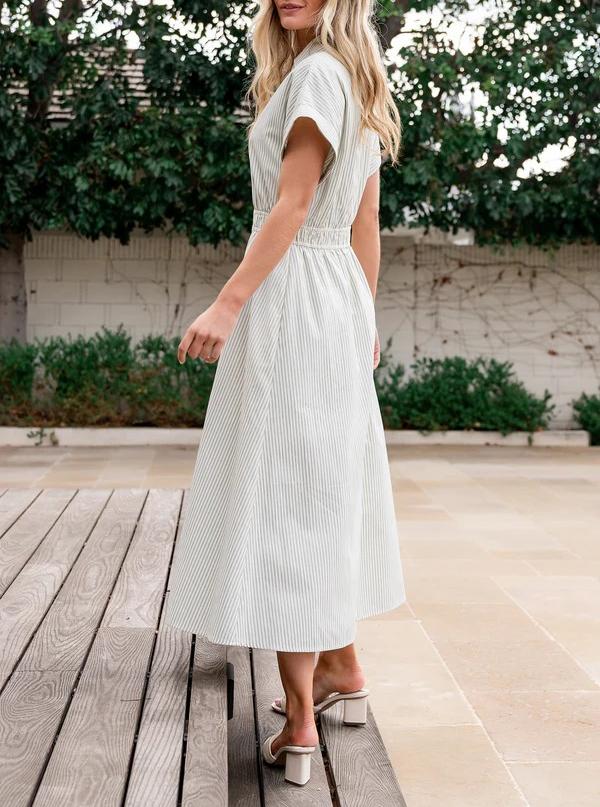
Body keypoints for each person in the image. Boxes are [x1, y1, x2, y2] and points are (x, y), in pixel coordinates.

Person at [162, 0, 406, 787]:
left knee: (286, 499)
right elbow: (365, 219)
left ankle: (301, 718)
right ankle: (342, 669)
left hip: (295, 297)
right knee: (318, 487)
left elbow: (295, 205)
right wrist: (363, 314)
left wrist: (227, 303)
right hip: (334, 297)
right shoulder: (355, 78)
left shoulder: (318, 75)